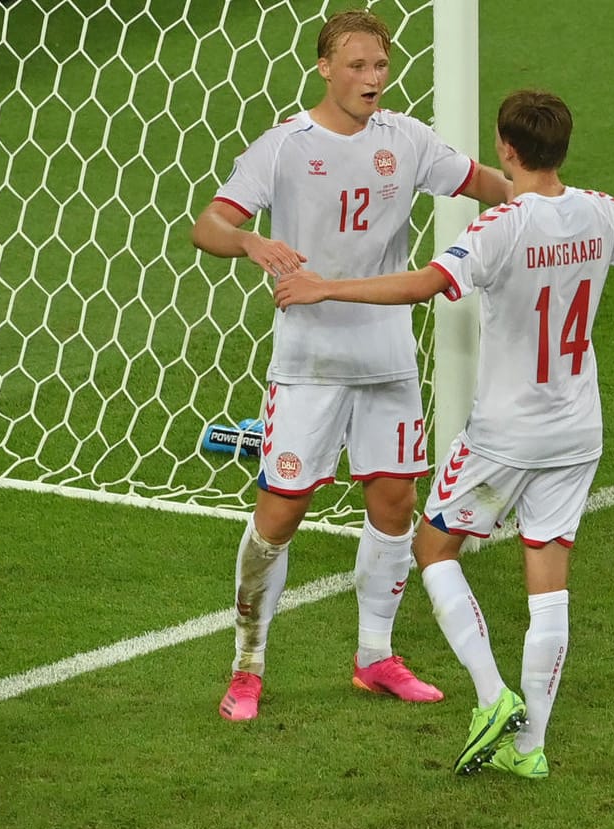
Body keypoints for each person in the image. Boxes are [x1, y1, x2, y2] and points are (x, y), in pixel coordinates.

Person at [274, 89, 614, 776]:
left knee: (433, 547)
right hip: (577, 431)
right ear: (562, 148)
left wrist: (324, 288)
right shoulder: (603, 214)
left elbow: (424, 284)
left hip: (504, 435)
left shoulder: (501, 228)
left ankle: (491, 696)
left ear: (507, 150)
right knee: (548, 582)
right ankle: (529, 747)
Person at [188, 8, 511, 722]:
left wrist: (546, 199)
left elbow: (486, 182)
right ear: (324, 68)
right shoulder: (285, 147)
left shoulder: (409, 141)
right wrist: (249, 244)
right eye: (357, 66)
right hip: (308, 362)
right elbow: (208, 223)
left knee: (394, 503)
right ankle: (247, 663)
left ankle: (375, 656)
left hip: (387, 359)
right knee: (280, 513)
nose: (372, 79)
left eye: (381, 66)